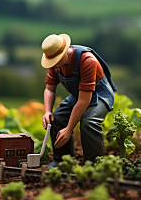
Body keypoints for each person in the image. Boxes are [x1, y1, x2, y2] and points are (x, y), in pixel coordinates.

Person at [41, 33, 116, 168]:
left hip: (99, 95)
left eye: (56, 61)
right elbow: (49, 89)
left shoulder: (87, 61)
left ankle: (94, 165)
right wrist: (47, 111)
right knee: (57, 119)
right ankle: (63, 160)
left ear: (65, 52)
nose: (54, 66)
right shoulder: (55, 62)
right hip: (78, 95)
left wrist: (69, 128)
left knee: (89, 123)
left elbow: (84, 101)